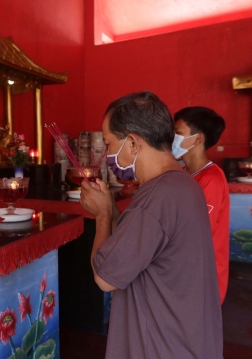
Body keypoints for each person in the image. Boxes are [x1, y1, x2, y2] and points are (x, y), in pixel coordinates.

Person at [79, 91, 222, 359]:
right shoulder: (182, 184)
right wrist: (111, 207)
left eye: (110, 144)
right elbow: (144, 242)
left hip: (161, 345)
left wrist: (102, 216)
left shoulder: (157, 196)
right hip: (188, 338)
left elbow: (105, 278)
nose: (108, 154)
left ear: (133, 143)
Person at [173, 106, 229, 304]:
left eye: (178, 133)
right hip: (184, 274)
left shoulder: (211, 179)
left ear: (198, 139)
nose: (172, 138)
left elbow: (194, 234)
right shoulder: (185, 174)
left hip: (203, 278)